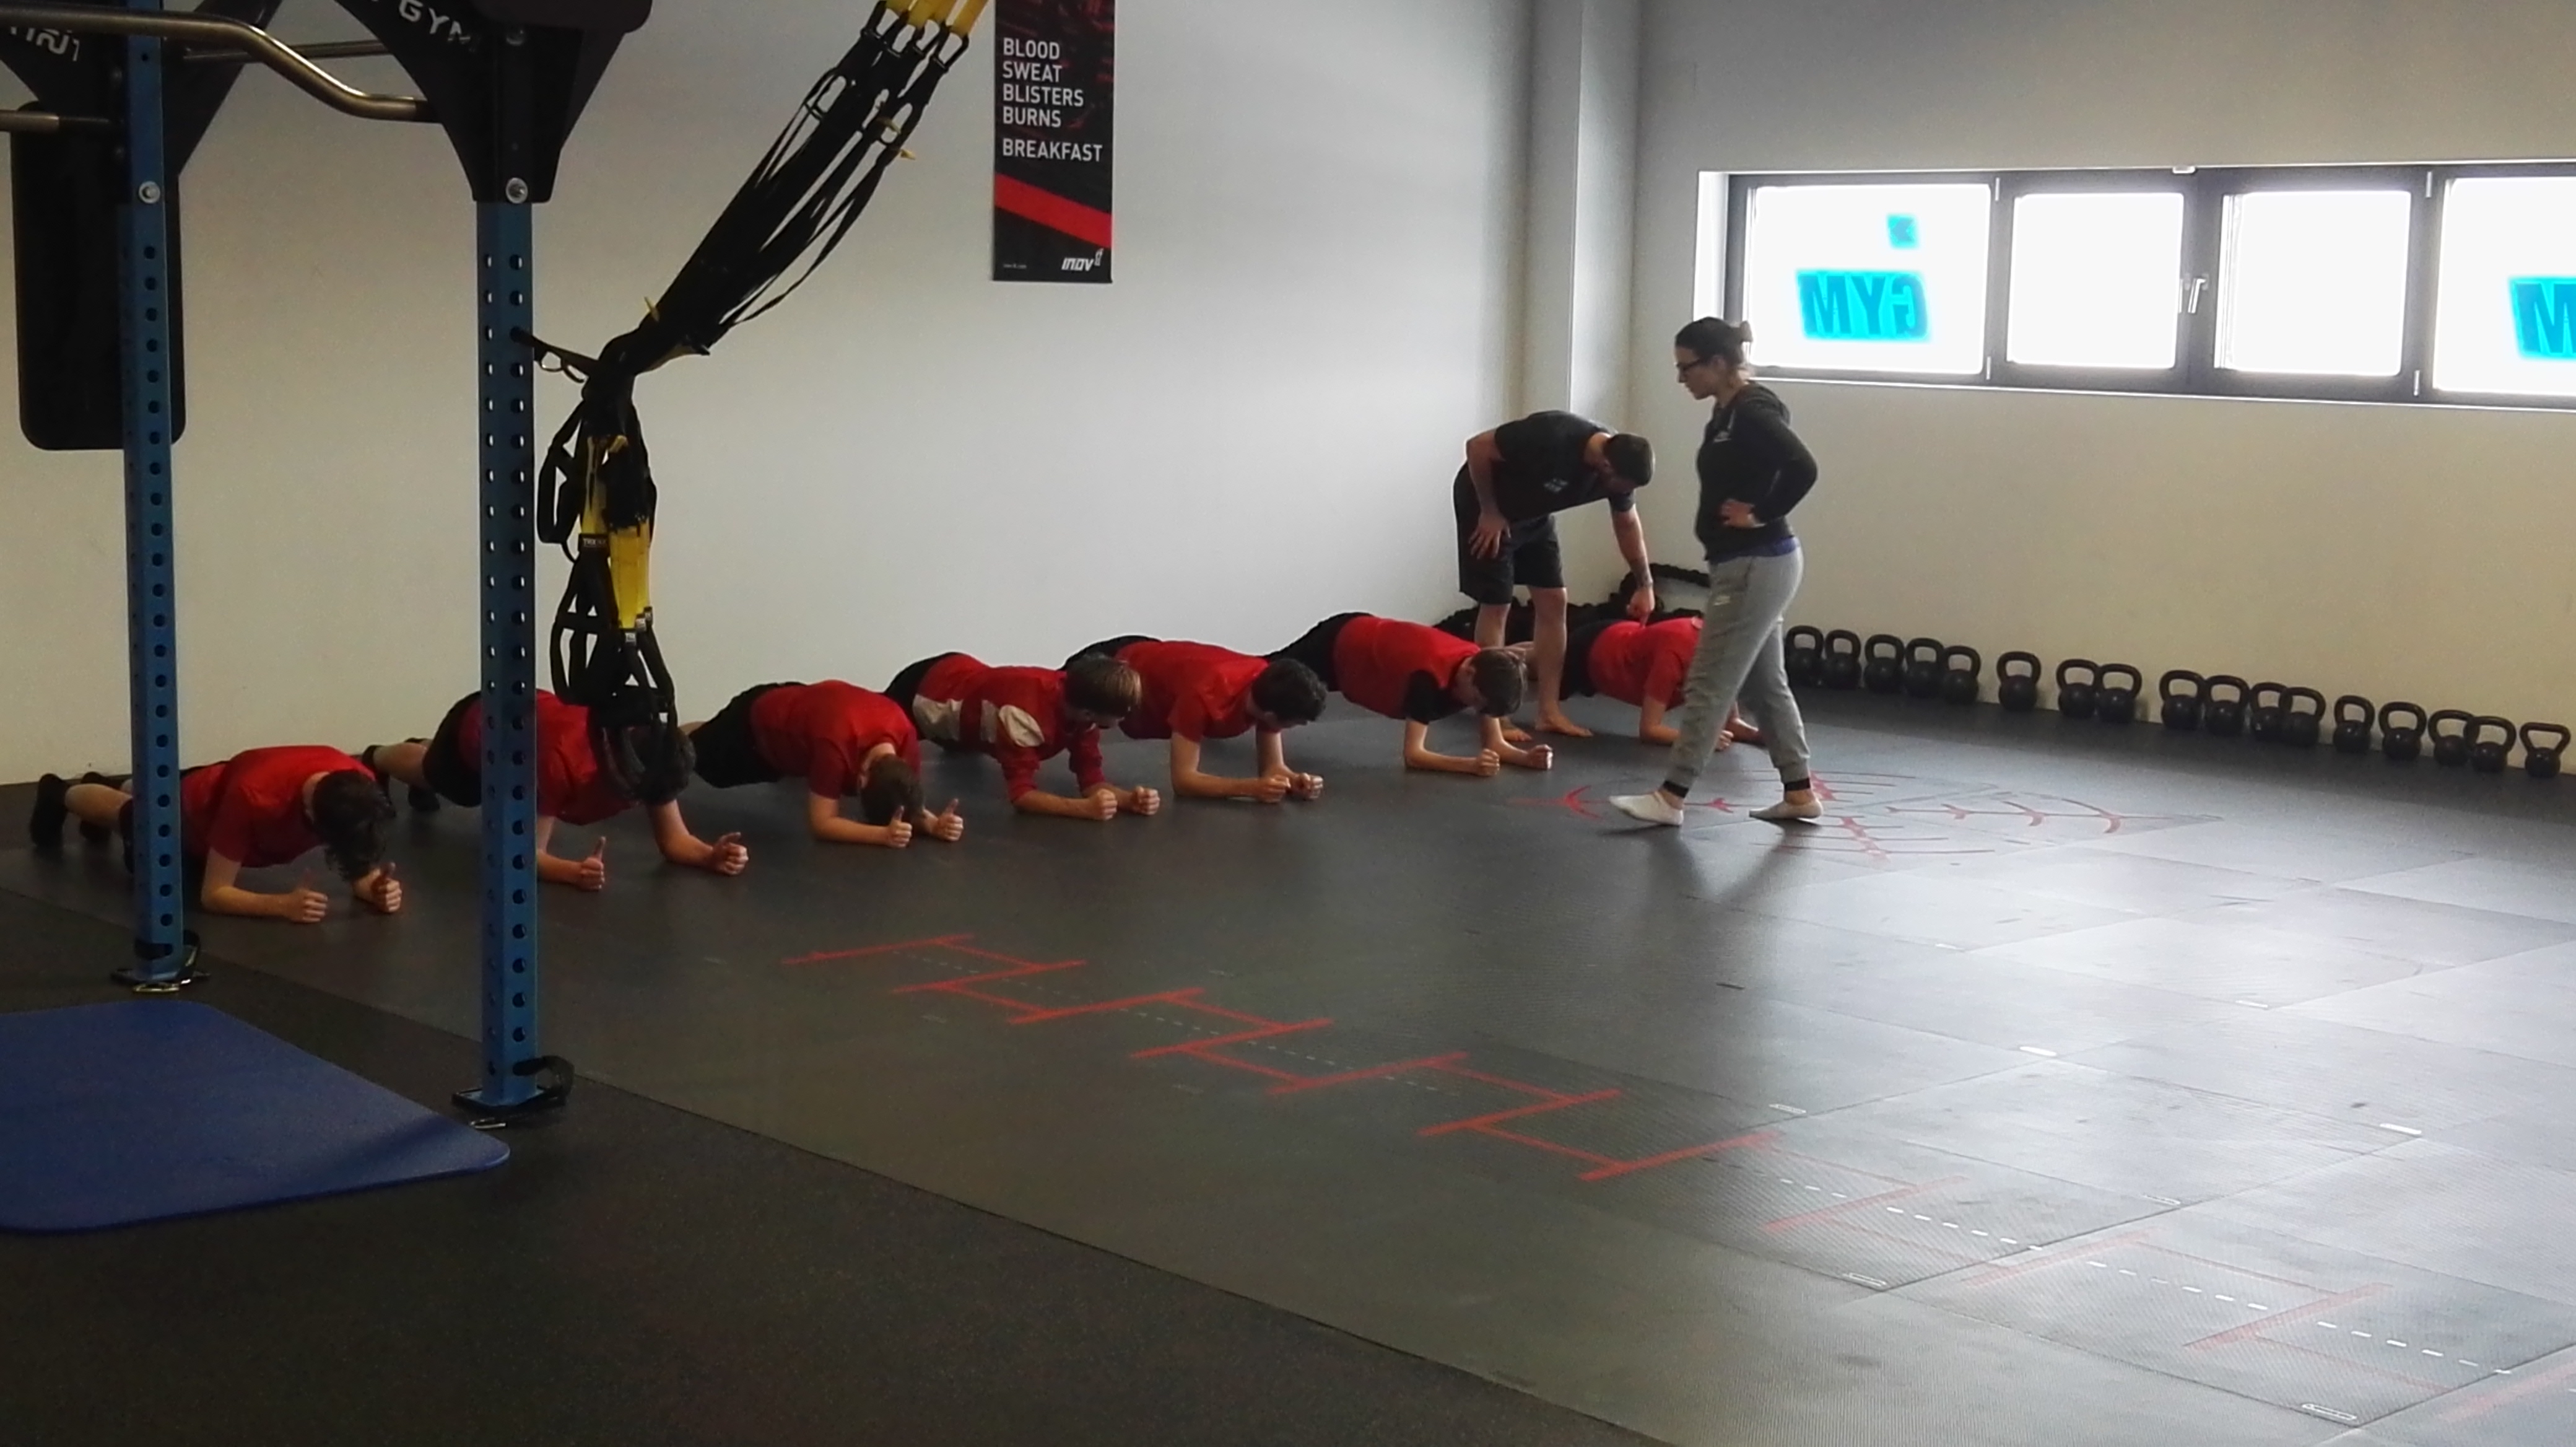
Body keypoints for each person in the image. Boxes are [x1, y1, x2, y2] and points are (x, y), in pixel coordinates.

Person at [1613, 318, 1821, 828]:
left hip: (1756, 563)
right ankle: (1799, 793)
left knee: (1709, 680)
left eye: (1687, 368)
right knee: (1765, 685)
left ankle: (1671, 796)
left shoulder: (1751, 410)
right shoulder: (1727, 411)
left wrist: (1761, 513)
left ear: (1718, 363)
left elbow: (1803, 466)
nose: (1681, 378)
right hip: (1749, 564)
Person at [367, 690, 750, 890]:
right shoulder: (561, 764)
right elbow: (523, 856)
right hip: (479, 728)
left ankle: (424, 748)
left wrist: (709, 856)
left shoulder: (653, 758)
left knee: (471, 778)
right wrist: (571, 872)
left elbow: (675, 841)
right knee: (443, 780)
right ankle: (377, 757)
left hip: (531, 725)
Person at [1456, 411, 1658, 740]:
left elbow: (1627, 524)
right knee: (1497, 604)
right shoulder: (1554, 435)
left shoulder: (1619, 470)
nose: (1624, 493)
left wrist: (1644, 583)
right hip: (1487, 508)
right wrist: (1490, 511)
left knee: (1554, 601)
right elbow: (1478, 446)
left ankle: (1548, 712)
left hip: (1534, 515)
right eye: (1624, 486)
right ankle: (1494, 714)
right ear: (1607, 466)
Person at [28, 750, 402, 924]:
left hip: (219, 779)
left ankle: (129, 785)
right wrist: (282, 906)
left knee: (147, 792)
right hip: (192, 814)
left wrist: (374, 887)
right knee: (126, 816)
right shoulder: (254, 797)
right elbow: (216, 894)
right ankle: (59, 792)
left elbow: (357, 863)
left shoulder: (357, 790)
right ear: (311, 815)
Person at [885, 652, 1161, 821]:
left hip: (962, 683)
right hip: (928, 689)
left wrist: (1128, 800)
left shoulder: (1082, 705)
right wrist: (1083, 810)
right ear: (1090, 713)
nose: (1126, 718)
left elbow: (1091, 780)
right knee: (883, 755)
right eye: (1122, 714)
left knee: (964, 741)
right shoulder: (1024, 717)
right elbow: (1022, 795)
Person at [685, 681, 966, 847]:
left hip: (799, 707)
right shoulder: (835, 745)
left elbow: (904, 802)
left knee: (705, 738)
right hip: (754, 726)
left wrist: (933, 824)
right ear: (861, 779)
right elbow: (822, 823)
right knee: (693, 756)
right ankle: (665, 738)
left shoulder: (905, 737)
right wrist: (881, 835)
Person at [1271, 613, 1547, 776]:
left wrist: (1526, 758)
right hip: (1339, 643)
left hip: (1367, 647)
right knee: (1269, 678)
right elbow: (1415, 756)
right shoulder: (1428, 680)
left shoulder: (1482, 674)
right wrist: (1469, 765)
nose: (1475, 709)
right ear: (1469, 674)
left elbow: (1494, 743)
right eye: (1476, 702)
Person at [1066, 637, 1329, 803]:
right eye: (1294, 724)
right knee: (1052, 713)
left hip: (1151, 655)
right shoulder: (1205, 695)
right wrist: (1251, 788)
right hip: (1114, 667)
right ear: (1273, 717)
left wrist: (1293, 781)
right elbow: (1184, 781)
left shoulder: (1269, 685)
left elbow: (1272, 768)